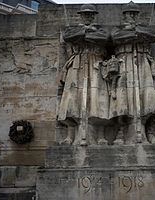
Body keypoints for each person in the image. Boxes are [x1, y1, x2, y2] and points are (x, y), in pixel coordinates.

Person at [110, 1, 155, 144]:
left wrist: (136, 31)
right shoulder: (117, 30)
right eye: (129, 13)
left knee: (148, 98)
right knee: (121, 100)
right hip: (123, 62)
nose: (131, 16)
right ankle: (121, 131)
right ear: (124, 15)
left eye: (134, 13)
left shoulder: (144, 29)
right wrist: (133, 33)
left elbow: (152, 35)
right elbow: (115, 38)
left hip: (142, 62)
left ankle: (148, 130)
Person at [57, 4, 109, 145]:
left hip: (95, 63)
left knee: (99, 101)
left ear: (94, 16)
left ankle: (100, 136)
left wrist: (87, 35)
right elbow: (69, 36)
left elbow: (104, 38)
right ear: (80, 15)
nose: (88, 17)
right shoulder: (73, 30)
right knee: (72, 101)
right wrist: (85, 32)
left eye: (91, 14)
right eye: (85, 14)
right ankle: (70, 136)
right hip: (77, 65)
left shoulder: (100, 30)